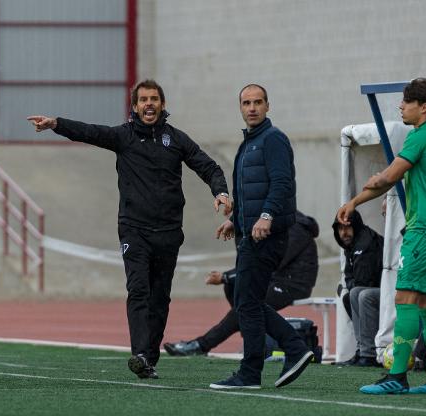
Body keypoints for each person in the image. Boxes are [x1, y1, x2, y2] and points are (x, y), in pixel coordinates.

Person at [27, 79, 230, 379]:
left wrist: (220, 192)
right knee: (138, 290)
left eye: (154, 99)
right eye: (143, 100)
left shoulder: (176, 139)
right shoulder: (124, 136)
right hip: (135, 230)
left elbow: (208, 166)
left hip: (169, 232)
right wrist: (56, 123)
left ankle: (149, 358)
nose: (149, 104)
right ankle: (139, 353)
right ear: (134, 107)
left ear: (162, 105)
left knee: (160, 298)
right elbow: (90, 132)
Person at [336, 78, 426, 394]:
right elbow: (392, 179)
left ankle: (396, 376)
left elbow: (388, 176)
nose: (401, 106)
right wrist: (362, 197)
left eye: (406, 101)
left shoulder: (421, 136)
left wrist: (353, 202)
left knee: (405, 299)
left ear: (423, 107)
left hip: (425, 232)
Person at [209, 84, 313, 390]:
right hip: (250, 233)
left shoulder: (273, 139)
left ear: (268, 106)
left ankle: (258, 368)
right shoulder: (250, 143)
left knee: (247, 302)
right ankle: (289, 351)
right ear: (240, 107)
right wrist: (235, 220)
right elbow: (249, 190)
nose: (252, 107)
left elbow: (280, 183)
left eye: (258, 102)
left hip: (267, 235)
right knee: (248, 300)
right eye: (246, 103)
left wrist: (266, 216)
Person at [164, 211, 319, 356]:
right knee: (235, 288)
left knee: (247, 304)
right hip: (273, 279)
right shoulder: (270, 222)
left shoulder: (295, 228)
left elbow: (269, 262)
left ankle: (201, 345)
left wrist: (225, 276)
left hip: (292, 285)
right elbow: (250, 261)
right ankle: (253, 341)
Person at [332, 210, 383, 367]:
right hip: (378, 292)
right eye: (340, 229)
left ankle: (369, 354)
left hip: (394, 294)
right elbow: (349, 277)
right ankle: (363, 350)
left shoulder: (365, 243)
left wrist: (351, 285)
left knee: (362, 294)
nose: (344, 233)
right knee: (354, 294)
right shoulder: (352, 245)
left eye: (347, 227)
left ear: (356, 226)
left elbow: (364, 281)